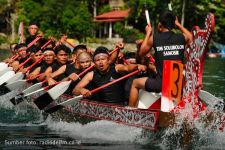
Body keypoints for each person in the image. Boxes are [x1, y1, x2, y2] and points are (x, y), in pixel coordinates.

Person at [129, 10, 193, 107]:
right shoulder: (181, 38)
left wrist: (148, 33)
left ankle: (131, 112)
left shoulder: (154, 38)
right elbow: (191, 38)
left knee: (135, 83)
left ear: (159, 25)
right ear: (173, 25)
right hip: (178, 84)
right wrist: (179, 25)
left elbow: (141, 52)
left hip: (161, 84)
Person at [73, 46, 146, 105]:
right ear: (94, 63)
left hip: (121, 106)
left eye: (103, 59)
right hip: (102, 107)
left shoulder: (117, 68)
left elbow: (127, 68)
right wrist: (81, 90)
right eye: (97, 60)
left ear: (108, 60)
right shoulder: (91, 75)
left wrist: (137, 66)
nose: (101, 62)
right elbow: (75, 90)